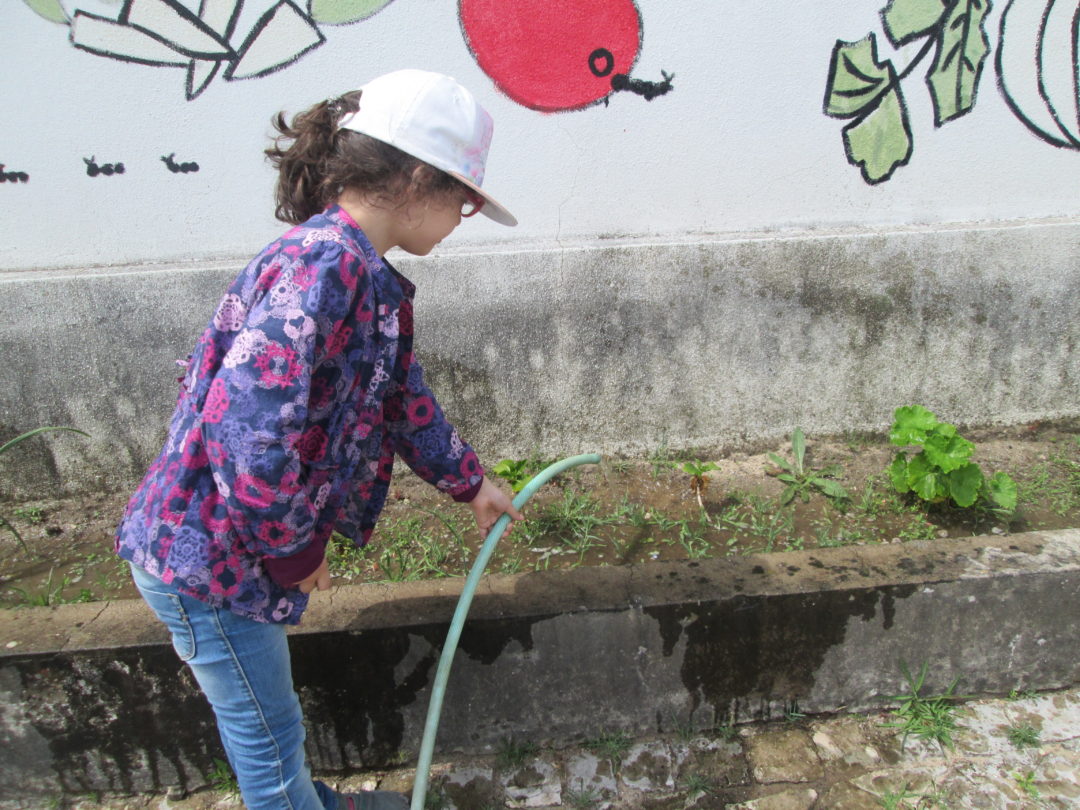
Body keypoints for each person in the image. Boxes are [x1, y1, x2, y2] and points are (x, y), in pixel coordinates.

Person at [115, 69, 523, 810]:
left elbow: (398, 396)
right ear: (415, 179)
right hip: (206, 559)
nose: (465, 215)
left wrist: (471, 481)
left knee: (270, 720)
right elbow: (244, 425)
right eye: (463, 197)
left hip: (226, 552)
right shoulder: (327, 267)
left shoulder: (358, 272)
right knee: (263, 733)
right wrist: (294, 546)